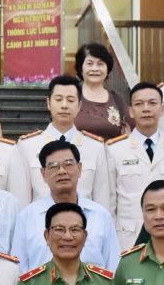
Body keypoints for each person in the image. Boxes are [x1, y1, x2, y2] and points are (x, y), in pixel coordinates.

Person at [12, 140, 117, 273]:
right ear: (43, 174)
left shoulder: (100, 215)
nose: (61, 171)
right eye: (53, 166)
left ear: (79, 169)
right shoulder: (27, 217)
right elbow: (18, 271)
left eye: (68, 164)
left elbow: (114, 267)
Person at [15, 75, 112, 210]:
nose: (64, 105)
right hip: (41, 221)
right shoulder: (27, 146)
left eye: (70, 100)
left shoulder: (95, 147)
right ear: (48, 103)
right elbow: (21, 200)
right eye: (58, 99)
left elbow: (102, 200)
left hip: (84, 220)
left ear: (79, 106)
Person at [105, 82, 164, 247]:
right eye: (139, 104)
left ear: (162, 109)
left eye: (152, 103)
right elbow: (109, 202)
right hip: (128, 238)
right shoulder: (114, 149)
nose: (146, 109)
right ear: (131, 111)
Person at [74, 42, 130, 141]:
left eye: (100, 64)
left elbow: (130, 132)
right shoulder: (72, 96)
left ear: (107, 68)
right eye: (90, 63)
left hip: (111, 151)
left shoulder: (117, 99)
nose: (95, 69)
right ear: (80, 67)